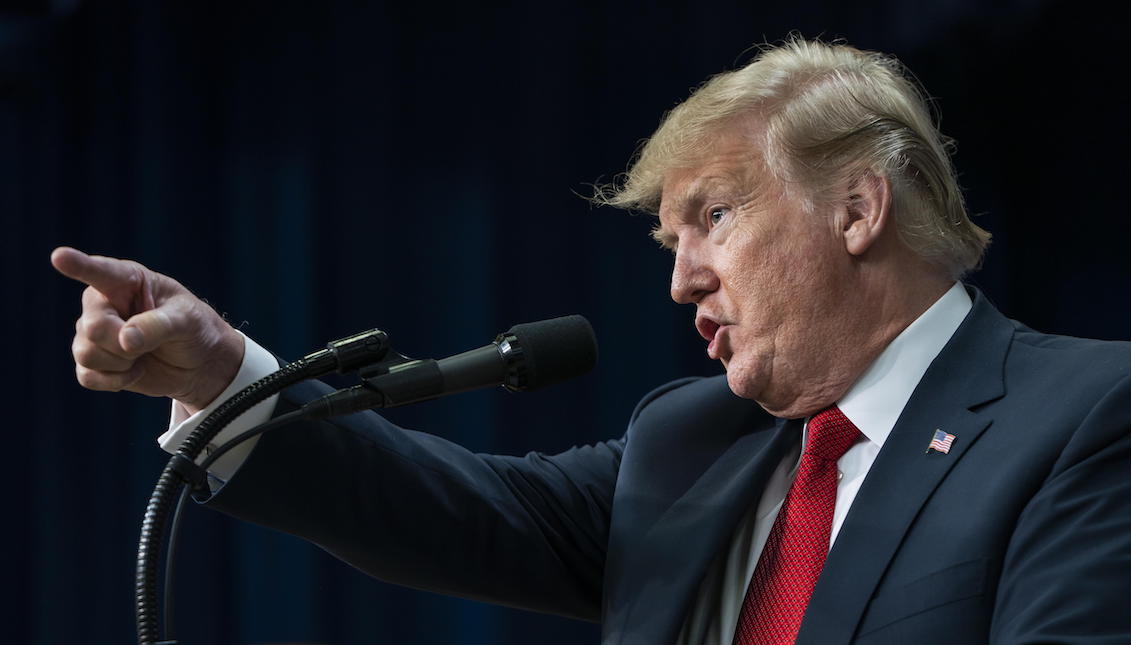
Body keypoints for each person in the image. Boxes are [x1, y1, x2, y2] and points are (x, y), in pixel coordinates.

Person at [52, 39, 1131, 644]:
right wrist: (221, 373)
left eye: (713, 216)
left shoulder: (1084, 415)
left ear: (857, 210)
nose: (680, 280)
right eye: (668, 241)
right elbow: (447, 512)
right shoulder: (693, 441)